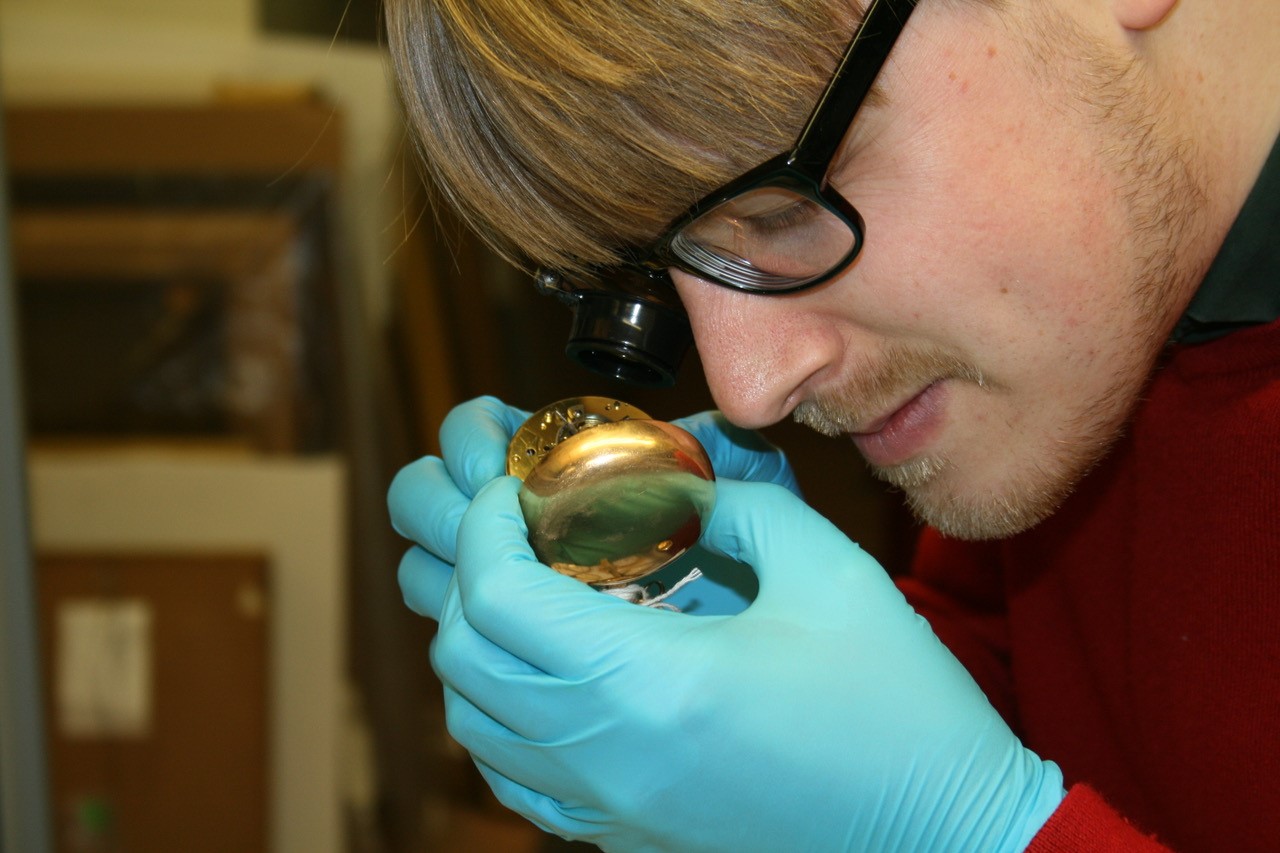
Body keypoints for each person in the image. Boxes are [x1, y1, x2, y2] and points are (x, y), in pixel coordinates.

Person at [384, 0, 1280, 849]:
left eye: (782, 209)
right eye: (658, 277)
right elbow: (1040, 686)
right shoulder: (1080, 344)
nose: (749, 390)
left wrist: (976, 835)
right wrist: (743, 673)